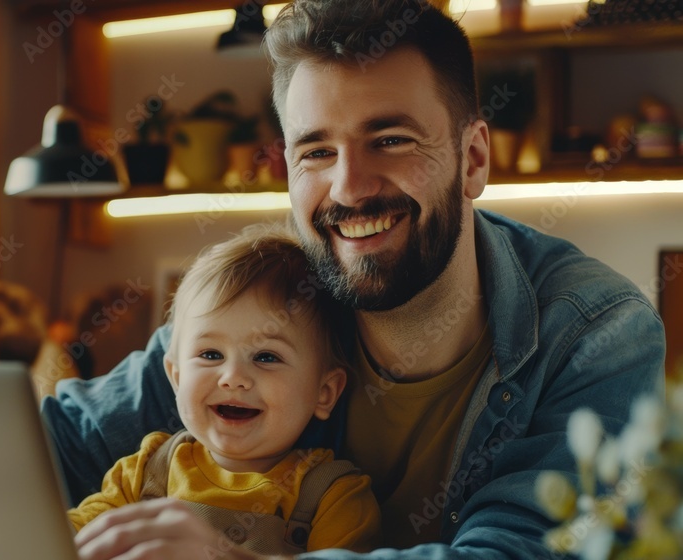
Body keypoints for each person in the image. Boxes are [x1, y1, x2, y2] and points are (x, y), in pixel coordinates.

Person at [47, 1, 667, 559]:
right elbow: (58, 446)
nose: (349, 188)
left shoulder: (597, 331)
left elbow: (518, 552)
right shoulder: (267, 296)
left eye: (390, 140)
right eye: (316, 152)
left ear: (473, 159)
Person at [68, 225, 382, 555]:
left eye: (266, 356)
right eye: (210, 354)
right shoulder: (143, 472)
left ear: (325, 392)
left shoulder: (333, 498)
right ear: (175, 377)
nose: (232, 377)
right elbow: (64, 537)